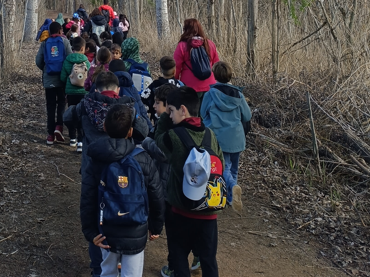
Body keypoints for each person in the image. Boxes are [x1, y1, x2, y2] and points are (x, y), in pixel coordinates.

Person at [64, 72, 150, 277]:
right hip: (124, 170)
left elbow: (67, 117)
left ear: (96, 89)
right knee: (123, 210)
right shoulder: (127, 108)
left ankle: (98, 267)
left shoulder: (86, 104)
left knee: (97, 216)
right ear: (118, 90)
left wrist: (81, 118)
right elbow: (144, 131)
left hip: (93, 168)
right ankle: (123, 258)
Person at [80, 104, 165, 277]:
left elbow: (87, 197)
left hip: (106, 229)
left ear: (104, 127)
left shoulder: (96, 159)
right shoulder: (143, 159)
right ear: (131, 132)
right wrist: (156, 226)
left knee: (107, 272)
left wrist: (90, 231)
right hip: (136, 230)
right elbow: (156, 195)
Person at [155, 86, 223, 277]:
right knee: (209, 260)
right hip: (209, 212)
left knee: (179, 257)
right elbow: (221, 164)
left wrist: (163, 117)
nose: (170, 115)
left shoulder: (173, 137)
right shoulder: (210, 135)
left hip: (181, 211)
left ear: (183, 110)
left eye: (171, 111)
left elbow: (158, 139)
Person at [201, 61, 251, 213]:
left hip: (219, 138)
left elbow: (202, 114)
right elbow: (247, 116)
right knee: (233, 168)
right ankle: (231, 198)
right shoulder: (239, 95)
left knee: (224, 167)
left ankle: (232, 187)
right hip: (237, 137)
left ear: (214, 75)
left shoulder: (210, 94)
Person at [35, 21, 72, 146]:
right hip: (62, 79)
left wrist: (46, 69)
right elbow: (70, 58)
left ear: (50, 31)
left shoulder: (45, 43)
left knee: (50, 106)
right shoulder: (65, 42)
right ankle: (59, 127)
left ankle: (50, 135)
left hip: (49, 79)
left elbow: (38, 61)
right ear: (60, 31)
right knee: (61, 103)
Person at [173, 18, 220, 108]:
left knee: (191, 113)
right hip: (210, 85)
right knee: (207, 113)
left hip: (189, 86)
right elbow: (216, 65)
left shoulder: (182, 45)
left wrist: (175, 81)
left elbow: (176, 67)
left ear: (186, 29)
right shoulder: (210, 44)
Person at [61, 35, 90, 151]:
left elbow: (63, 77)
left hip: (71, 92)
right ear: (83, 48)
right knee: (82, 115)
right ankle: (81, 141)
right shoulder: (86, 61)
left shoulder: (67, 60)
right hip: (83, 92)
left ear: (72, 47)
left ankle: (72, 138)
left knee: (72, 113)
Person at [109, 59, 151, 134]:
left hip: (115, 129)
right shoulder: (132, 88)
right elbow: (142, 110)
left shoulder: (109, 87)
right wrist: (150, 129)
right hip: (134, 129)